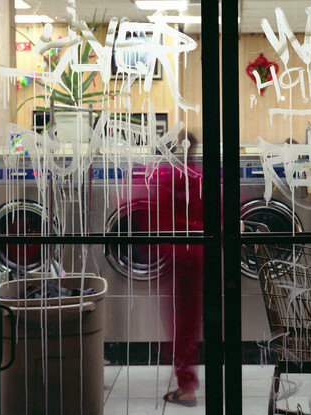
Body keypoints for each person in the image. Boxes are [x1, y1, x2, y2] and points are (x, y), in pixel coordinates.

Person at [125, 131, 203, 407]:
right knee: (197, 321)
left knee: (181, 324)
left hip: (177, 259)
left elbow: (147, 214)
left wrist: (146, 248)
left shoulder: (165, 179)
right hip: (203, 257)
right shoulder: (199, 179)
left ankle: (187, 387)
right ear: (193, 151)